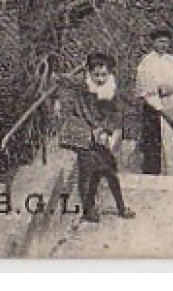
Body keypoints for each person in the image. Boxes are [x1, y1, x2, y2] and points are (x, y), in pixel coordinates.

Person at [58, 52, 135, 223]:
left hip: (99, 132)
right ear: (89, 73)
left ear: (110, 73)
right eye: (96, 75)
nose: (100, 79)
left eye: (104, 75)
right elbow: (63, 81)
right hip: (81, 130)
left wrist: (105, 129)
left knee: (109, 167)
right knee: (88, 165)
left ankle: (121, 207)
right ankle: (89, 208)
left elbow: (116, 113)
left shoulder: (112, 89)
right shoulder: (82, 85)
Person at [135, 27, 173, 176]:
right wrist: (163, 110)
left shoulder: (172, 60)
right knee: (157, 146)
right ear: (154, 43)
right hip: (156, 107)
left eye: (166, 42)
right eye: (160, 42)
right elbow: (148, 92)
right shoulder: (147, 62)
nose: (164, 45)